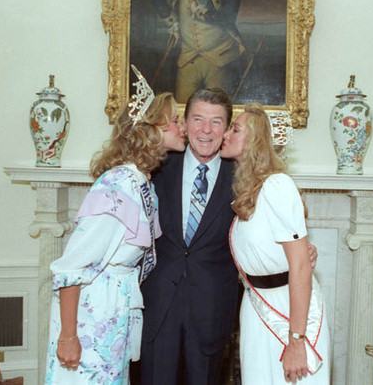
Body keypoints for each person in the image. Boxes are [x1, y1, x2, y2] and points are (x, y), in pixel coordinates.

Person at [44, 67, 186, 384]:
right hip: (90, 319)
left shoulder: (142, 183)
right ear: (149, 130)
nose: (183, 126)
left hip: (115, 313)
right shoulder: (117, 186)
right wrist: (68, 336)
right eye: (174, 120)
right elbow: (71, 267)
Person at [220, 103, 331, 384]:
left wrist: (296, 341)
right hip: (257, 307)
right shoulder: (249, 191)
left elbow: (300, 268)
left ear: (256, 140)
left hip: (289, 313)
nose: (225, 134)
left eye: (235, 128)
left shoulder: (277, 185)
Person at [139, 87, 238, 384]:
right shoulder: (155, 167)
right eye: (198, 119)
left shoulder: (242, 177)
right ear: (184, 123)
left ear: (227, 129)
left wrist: (300, 249)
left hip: (211, 311)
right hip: (158, 307)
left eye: (216, 121)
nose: (206, 130)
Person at [153, 0, 244, 103]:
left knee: (216, 108)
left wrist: (200, 12)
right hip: (187, 55)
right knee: (181, 107)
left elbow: (228, 17)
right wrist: (173, 23)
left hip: (218, 56)